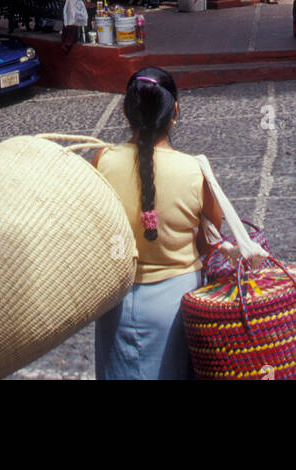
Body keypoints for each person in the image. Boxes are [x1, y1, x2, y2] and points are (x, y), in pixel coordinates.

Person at [91, 68, 223, 380]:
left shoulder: (101, 160)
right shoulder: (195, 171)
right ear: (174, 111)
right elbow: (211, 242)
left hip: (116, 302)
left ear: (125, 112)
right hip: (177, 306)